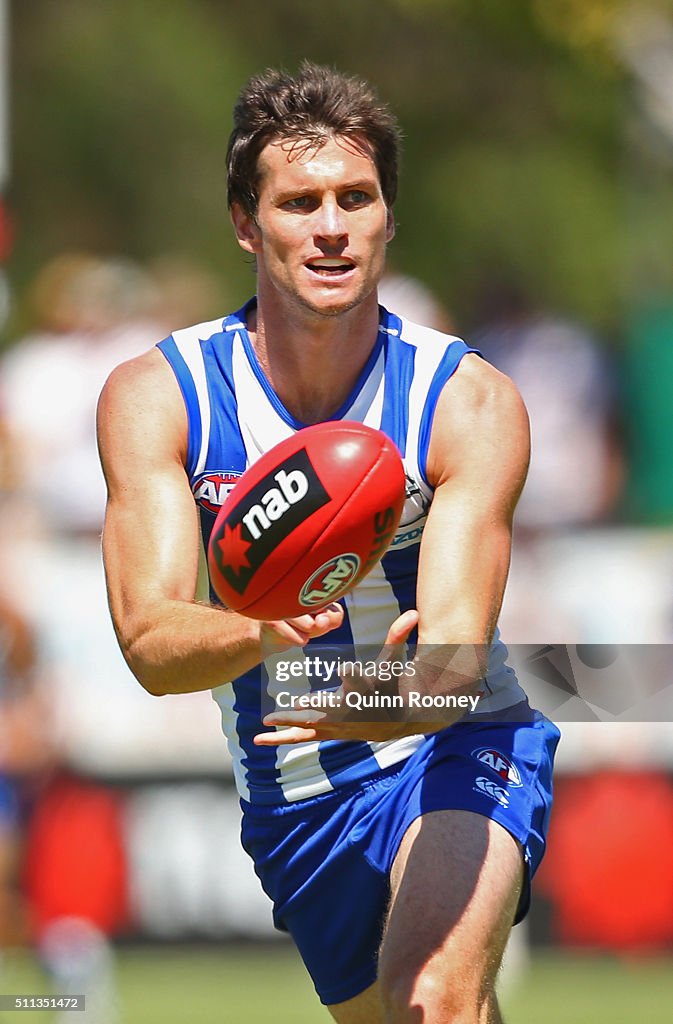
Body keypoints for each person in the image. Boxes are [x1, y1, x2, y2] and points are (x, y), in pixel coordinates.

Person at [97, 62, 559, 1024]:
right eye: (300, 203)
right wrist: (266, 636)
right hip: (295, 785)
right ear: (244, 224)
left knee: (431, 999)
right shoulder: (159, 398)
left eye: (357, 197)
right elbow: (148, 643)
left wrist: (378, 698)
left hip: (452, 737)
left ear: (390, 216)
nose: (332, 226)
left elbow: (454, 666)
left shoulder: (465, 403)